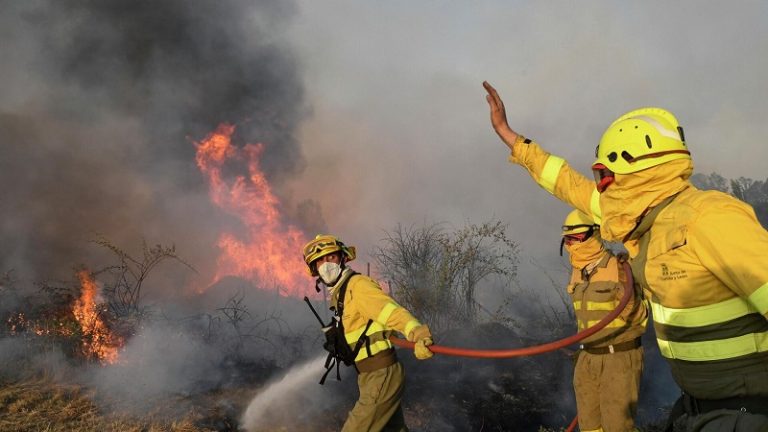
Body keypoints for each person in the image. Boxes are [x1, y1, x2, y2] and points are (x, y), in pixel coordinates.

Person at [482, 81, 768, 431]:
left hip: (744, 410)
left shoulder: (709, 218)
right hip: (699, 403)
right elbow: (566, 183)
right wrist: (509, 135)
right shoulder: (642, 219)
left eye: (605, 175)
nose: (601, 186)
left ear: (635, 171)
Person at [302, 234, 434, 432]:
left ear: (343, 257)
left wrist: (418, 333)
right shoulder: (342, 292)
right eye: (319, 261)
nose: (326, 264)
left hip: (381, 373)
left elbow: (391, 312)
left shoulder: (358, 286)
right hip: (369, 375)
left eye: (331, 257)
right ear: (314, 269)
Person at [560, 209, 647, 432]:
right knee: (589, 427)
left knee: (617, 426)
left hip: (618, 357)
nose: (571, 245)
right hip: (588, 358)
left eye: (577, 238)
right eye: (567, 239)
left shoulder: (619, 267)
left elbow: (639, 318)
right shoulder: (577, 271)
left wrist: (628, 293)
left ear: (594, 235)